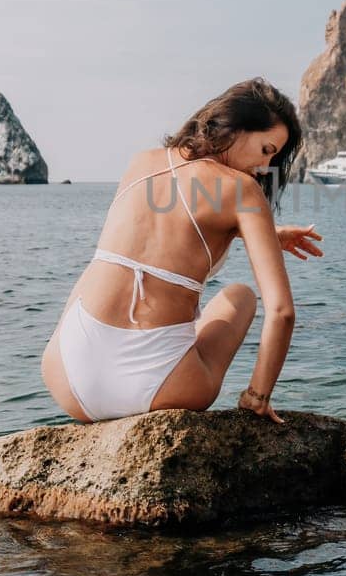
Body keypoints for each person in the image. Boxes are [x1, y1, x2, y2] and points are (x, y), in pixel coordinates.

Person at [41, 78, 322, 425]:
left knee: (102, 267)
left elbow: (165, 235)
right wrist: (257, 397)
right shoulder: (242, 190)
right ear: (237, 127)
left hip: (69, 381)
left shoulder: (141, 162)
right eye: (267, 150)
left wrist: (262, 234)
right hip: (161, 389)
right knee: (240, 295)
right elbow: (282, 312)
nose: (266, 167)